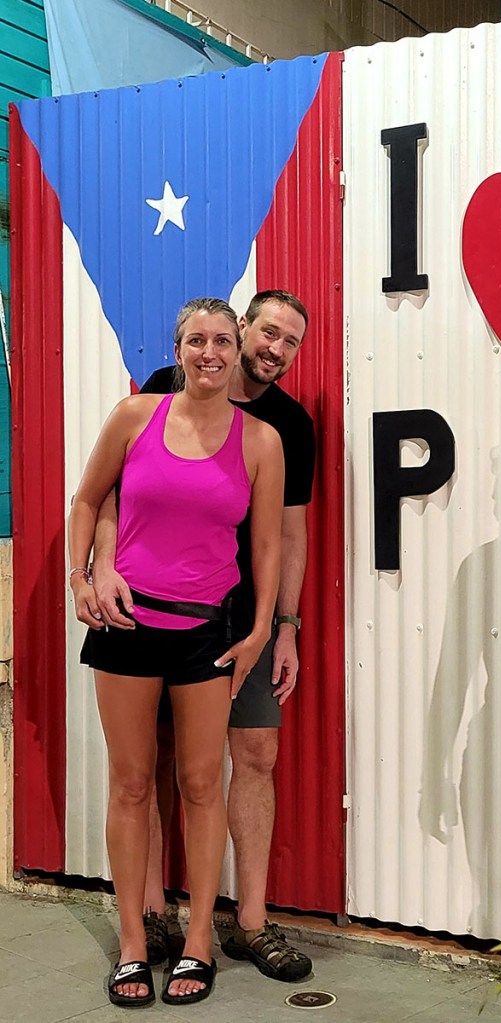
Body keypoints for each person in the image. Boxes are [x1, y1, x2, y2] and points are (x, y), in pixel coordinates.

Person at [92, 290, 315, 983]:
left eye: (292, 341)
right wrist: (96, 570)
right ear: (237, 327)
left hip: (234, 624)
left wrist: (283, 627)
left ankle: (246, 920)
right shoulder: (161, 395)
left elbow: (289, 533)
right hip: (147, 612)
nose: (274, 348)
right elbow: (109, 494)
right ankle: (153, 916)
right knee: (148, 766)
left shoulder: (286, 428)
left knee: (250, 754)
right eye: (268, 331)